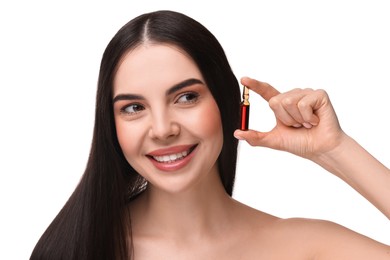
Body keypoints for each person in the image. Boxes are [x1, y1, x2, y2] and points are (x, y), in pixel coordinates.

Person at [30, 10, 390, 260]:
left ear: (225, 100)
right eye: (133, 107)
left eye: (186, 97)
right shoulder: (75, 250)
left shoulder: (305, 246)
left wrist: (335, 149)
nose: (162, 129)